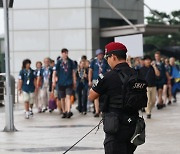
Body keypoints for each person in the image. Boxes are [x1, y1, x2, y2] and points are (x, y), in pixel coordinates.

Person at [89, 42, 139, 154]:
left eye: (108, 58)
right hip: (133, 125)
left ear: (113, 57)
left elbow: (91, 96)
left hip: (115, 126)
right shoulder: (136, 74)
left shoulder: (108, 76)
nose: (107, 61)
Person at [52, 48, 76, 118]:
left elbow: (73, 72)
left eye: (66, 53)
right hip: (61, 82)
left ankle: (68, 110)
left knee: (68, 97)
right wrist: (54, 81)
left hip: (69, 82)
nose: (65, 54)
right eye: (64, 53)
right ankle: (64, 111)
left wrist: (74, 81)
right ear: (62, 54)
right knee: (62, 98)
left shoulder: (71, 62)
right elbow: (54, 72)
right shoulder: (59, 62)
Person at [88, 49, 110, 117]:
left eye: (101, 54)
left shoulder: (105, 62)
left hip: (103, 79)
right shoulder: (93, 62)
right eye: (99, 54)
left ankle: (102, 110)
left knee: (103, 96)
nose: (100, 55)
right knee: (96, 96)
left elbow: (109, 71)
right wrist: (89, 80)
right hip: (95, 79)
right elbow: (90, 71)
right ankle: (97, 111)